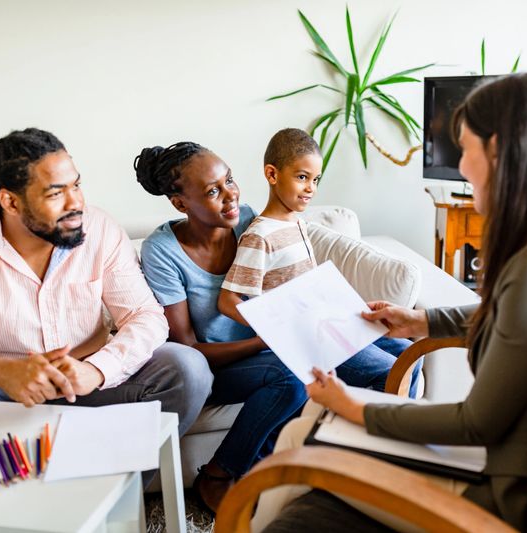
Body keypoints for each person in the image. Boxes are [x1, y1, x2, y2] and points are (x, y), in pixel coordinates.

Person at [255, 72, 527, 532]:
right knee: (307, 425)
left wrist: (353, 405)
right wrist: (422, 320)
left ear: (499, 148)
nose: (461, 166)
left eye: (465, 148)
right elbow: (516, 316)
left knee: (302, 435)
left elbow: (475, 423)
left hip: (518, 493)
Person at [134, 140, 418, 513]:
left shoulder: (251, 221)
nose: (230, 196)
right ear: (181, 204)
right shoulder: (162, 251)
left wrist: (347, 312)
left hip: (281, 342)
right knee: (291, 376)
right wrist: (261, 341)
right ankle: (218, 474)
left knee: (403, 353)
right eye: (213, 191)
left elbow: (296, 277)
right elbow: (187, 347)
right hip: (221, 365)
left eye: (230, 180)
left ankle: (355, 464)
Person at [0, 128, 212, 447]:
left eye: (76, 185)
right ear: (10, 201)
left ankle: (115, 490)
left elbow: (145, 316)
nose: (76, 203)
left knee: (187, 370)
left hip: (88, 377)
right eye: (56, 193)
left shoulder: (100, 228)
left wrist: (97, 370)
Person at [217, 128, 320, 324]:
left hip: (320, 320)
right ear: (272, 174)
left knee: (394, 342)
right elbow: (227, 301)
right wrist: (273, 329)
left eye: (315, 179)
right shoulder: (259, 236)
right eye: (302, 177)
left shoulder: (299, 223)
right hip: (300, 334)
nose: (311, 187)